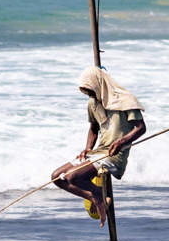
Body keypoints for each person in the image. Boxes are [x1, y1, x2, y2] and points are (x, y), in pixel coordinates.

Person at [52, 66, 146, 226]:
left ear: (98, 84)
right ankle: (96, 196)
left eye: (90, 90)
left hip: (114, 154)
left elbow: (141, 128)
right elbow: (93, 129)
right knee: (57, 177)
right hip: (98, 152)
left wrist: (122, 141)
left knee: (72, 177)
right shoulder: (93, 103)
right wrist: (87, 148)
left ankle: (98, 196)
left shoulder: (126, 100)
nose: (89, 95)